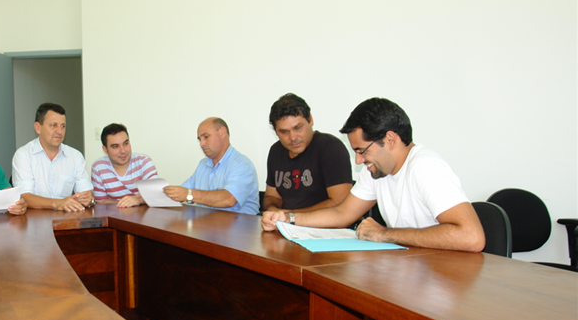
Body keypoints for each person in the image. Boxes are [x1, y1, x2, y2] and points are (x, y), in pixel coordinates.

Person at [262, 98, 485, 252]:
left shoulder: (425, 167)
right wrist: (287, 218)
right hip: (411, 267)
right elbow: (342, 214)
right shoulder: (376, 170)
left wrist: (386, 234)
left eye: (362, 151)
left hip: (444, 277)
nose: (358, 161)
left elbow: (472, 237)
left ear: (390, 140)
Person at [264, 93, 352, 212]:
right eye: (284, 132)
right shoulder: (276, 151)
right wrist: (273, 211)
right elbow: (272, 196)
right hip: (285, 224)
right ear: (275, 132)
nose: (293, 137)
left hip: (324, 227)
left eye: (298, 128)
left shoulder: (330, 147)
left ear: (310, 120)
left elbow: (340, 203)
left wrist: (291, 216)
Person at [164, 117, 259, 215]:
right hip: (206, 226)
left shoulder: (241, 164)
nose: (201, 144)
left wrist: (189, 194)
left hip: (238, 229)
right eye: (199, 139)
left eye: (206, 137)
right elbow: (181, 192)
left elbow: (228, 199)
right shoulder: (202, 164)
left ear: (222, 132)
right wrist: (152, 197)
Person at [12, 103, 93, 212]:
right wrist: (58, 203)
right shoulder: (23, 155)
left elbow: (86, 192)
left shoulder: (75, 156)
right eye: (53, 125)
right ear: (38, 127)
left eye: (63, 126)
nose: (59, 131)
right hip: (34, 222)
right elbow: (24, 197)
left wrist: (88, 198)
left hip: (66, 221)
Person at [91, 123, 159, 208]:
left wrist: (138, 200)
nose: (123, 151)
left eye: (125, 144)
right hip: (114, 217)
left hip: (143, 217)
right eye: (115, 146)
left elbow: (156, 193)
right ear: (105, 149)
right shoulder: (98, 167)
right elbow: (100, 202)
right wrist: (127, 202)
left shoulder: (143, 161)